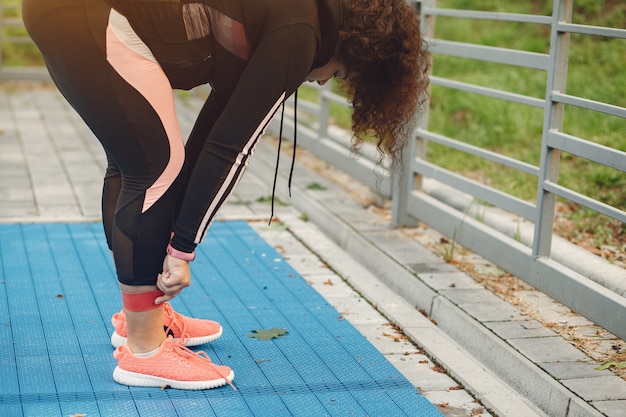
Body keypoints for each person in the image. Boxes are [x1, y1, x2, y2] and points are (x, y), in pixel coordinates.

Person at [22, 0, 429, 391]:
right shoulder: (300, 32)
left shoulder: (290, 15)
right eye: (342, 73)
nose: (324, 79)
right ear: (354, 46)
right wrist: (181, 251)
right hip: (83, 12)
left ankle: (142, 317)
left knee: (139, 162)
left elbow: (212, 138)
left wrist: (178, 241)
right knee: (155, 166)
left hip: (68, 11)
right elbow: (232, 149)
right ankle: (145, 352)